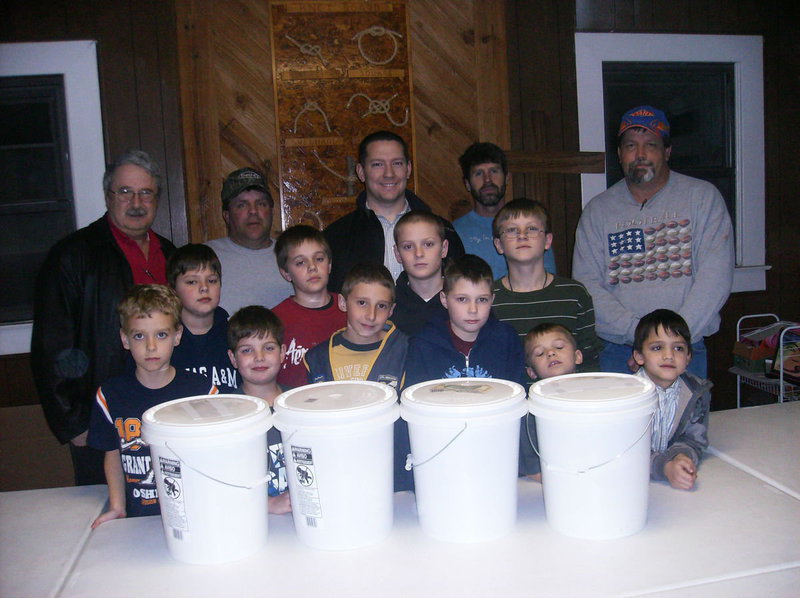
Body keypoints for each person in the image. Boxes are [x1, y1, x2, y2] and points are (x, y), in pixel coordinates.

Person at [31, 149, 177, 486]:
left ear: (157, 198)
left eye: (146, 192)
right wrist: (74, 422)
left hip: (163, 410)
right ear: (108, 196)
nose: (136, 202)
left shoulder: (170, 255)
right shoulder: (73, 256)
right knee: (108, 512)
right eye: (125, 192)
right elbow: (52, 344)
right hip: (102, 417)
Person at [573, 105, 734, 378]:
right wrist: (641, 339)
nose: (641, 154)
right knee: (619, 423)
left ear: (667, 151)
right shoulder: (597, 211)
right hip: (619, 352)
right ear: (620, 154)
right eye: (631, 146)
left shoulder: (702, 198)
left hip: (684, 349)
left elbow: (714, 280)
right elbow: (587, 287)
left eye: (651, 145)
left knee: (683, 423)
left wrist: (667, 343)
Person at [88, 285, 218, 527]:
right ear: (125, 339)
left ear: (177, 336)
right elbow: (113, 454)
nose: (150, 346)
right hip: (138, 518)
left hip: (195, 515)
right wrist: (117, 506)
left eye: (161, 335)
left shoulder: (203, 392)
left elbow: (216, 456)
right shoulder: (110, 395)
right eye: (139, 336)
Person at [303, 262, 411, 491]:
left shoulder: (406, 350)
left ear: (391, 310)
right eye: (362, 303)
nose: (371, 315)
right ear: (343, 302)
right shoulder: (317, 358)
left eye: (381, 306)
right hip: (335, 473)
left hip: (392, 476)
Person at [324, 130, 464, 292]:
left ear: (408, 169)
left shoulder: (443, 231)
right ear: (361, 172)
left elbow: (462, 292)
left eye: (397, 163)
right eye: (378, 164)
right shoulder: (336, 238)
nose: (389, 174)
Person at [491, 198, 602, 371]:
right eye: (512, 230)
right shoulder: (488, 299)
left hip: (567, 395)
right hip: (512, 395)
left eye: (532, 229)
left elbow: (589, 359)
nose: (522, 235)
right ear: (499, 244)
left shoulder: (574, 294)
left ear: (548, 240)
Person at [404, 254, 525, 387]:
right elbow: (416, 400)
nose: (473, 309)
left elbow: (517, 394)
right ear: (444, 300)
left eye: (482, 299)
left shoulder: (507, 339)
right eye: (462, 299)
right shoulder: (422, 345)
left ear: (492, 300)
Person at [632, 309, 712, 490]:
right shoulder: (626, 396)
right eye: (657, 347)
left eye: (678, 348)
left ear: (688, 357)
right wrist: (665, 467)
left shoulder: (697, 392)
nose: (669, 355)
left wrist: (681, 456)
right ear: (639, 356)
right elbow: (625, 451)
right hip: (629, 483)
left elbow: (694, 438)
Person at [454, 142, 555, 278]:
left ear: (507, 177)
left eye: (494, 171)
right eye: (478, 173)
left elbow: (549, 280)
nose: (487, 179)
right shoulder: (456, 232)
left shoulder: (531, 225)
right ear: (467, 183)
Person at [227, 306, 291, 514]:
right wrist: (268, 504)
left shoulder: (300, 405)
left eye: (269, 347)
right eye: (247, 350)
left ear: (282, 353)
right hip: (248, 520)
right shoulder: (226, 414)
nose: (259, 357)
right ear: (233, 358)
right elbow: (221, 481)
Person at [206, 167, 292, 314]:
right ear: (226, 215)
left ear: (271, 212)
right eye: (242, 205)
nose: (253, 211)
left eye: (261, 204)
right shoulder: (203, 257)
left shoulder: (295, 257)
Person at [272, 225, 346, 388]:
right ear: (286, 273)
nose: (312, 267)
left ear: (330, 265)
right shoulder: (274, 320)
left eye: (319, 259)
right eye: (300, 262)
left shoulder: (350, 310)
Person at [167, 244, 237, 390]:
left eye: (212, 280)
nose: (204, 287)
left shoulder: (237, 333)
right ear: (173, 290)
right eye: (192, 282)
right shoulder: (162, 341)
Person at [521, 323, 584, 480]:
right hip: (551, 479)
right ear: (531, 372)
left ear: (578, 356)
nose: (550, 353)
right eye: (540, 353)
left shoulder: (598, 396)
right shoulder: (530, 410)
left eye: (559, 347)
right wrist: (537, 471)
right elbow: (531, 461)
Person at [391, 210, 450, 335]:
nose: (418, 253)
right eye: (408, 246)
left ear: (444, 249)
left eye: (428, 244)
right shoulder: (389, 305)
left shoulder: (466, 300)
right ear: (397, 254)